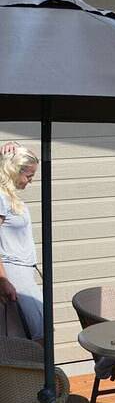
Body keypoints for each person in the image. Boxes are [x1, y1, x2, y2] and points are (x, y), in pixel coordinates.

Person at [0, 141, 43, 340]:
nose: (30, 181)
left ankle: (36, 371)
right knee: (39, 332)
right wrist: (3, 280)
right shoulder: (1, 197)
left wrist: (15, 145)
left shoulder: (9, 197)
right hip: (13, 272)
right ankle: (39, 371)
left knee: (31, 332)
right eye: (29, 176)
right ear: (14, 170)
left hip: (23, 271)